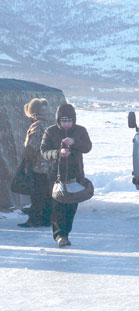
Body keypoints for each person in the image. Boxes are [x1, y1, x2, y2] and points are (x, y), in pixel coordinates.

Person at [41, 104, 92, 248]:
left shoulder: (80, 131)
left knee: (70, 208)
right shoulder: (50, 132)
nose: (66, 123)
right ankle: (60, 235)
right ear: (58, 119)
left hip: (75, 176)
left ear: (74, 119)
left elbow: (88, 147)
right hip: (55, 177)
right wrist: (58, 153)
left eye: (69, 120)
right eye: (63, 120)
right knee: (57, 207)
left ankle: (66, 233)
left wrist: (75, 142)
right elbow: (44, 151)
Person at [18, 98, 52, 227]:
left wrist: (27, 160)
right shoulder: (51, 123)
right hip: (50, 165)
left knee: (37, 194)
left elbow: (32, 146)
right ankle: (47, 219)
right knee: (47, 193)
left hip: (39, 165)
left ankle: (35, 220)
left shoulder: (37, 125)